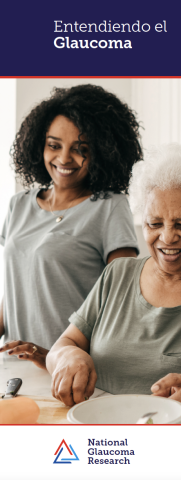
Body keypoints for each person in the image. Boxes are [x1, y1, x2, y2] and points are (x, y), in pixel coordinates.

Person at [46, 143, 181, 424]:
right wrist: (68, 357)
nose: (167, 238)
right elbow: (63, 345)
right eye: (154, 223)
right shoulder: (117, 275)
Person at [0, 84, 142, 369]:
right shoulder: (20, 204)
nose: (64, 158)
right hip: (14, 367)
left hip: (73, 370)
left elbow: (123, 304)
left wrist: (57, 355)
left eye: (81, 149)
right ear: (39, 144)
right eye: (54, 145)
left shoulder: (110, 207)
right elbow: (16, 289)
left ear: (103, 151)